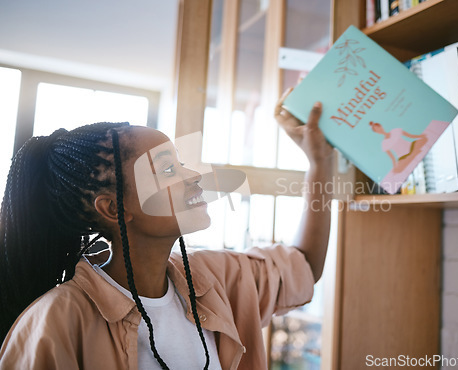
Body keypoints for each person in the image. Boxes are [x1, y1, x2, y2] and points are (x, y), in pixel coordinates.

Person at [0, 91, 334, 369]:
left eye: (180, 162)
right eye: (168, 169)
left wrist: (319, 163)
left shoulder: (214, 280)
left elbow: (304, 265)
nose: (192, 176)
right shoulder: (55, 322)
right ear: (115, 208)